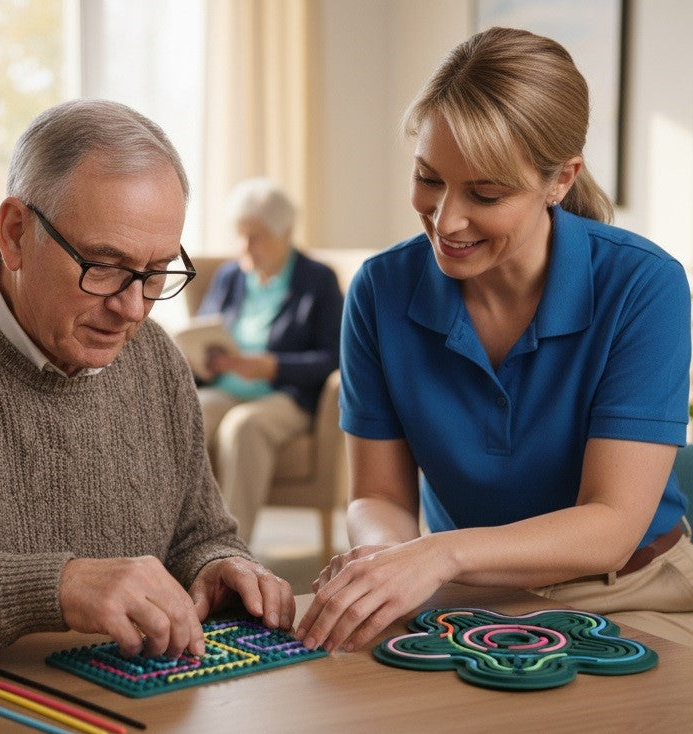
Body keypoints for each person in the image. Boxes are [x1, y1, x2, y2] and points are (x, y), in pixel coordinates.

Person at [297, 27, 693, 654]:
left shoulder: (644, 285)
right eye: (428, 179)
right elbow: (377, 494)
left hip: (634, 593)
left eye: (485, 194)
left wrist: (436, 555)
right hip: (466, 599)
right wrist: (382, 559)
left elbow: (613, 524)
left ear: (560, 180)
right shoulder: (379, 290)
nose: (446, 220)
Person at [0, 100, 294, 663]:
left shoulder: (156, 360)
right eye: (103, 265)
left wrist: (220, 565)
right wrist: (57, 587)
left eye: (156, 273)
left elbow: (199, 532)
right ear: (16, 232)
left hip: (142, 726)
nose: (133, 309)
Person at [195, 178, 343, 542]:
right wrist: (207, 358)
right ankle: (178, 542)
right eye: (241, 235)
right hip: (226, 386)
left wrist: (273, 366)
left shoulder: (318, 280)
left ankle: (230, 552)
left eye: (256, 236)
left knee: (244, 428)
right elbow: (203, 330)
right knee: (190, 414)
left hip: (285, 395)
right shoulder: (230, 275)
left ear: (286, 233)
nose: (246, 246)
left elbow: (335, 357)